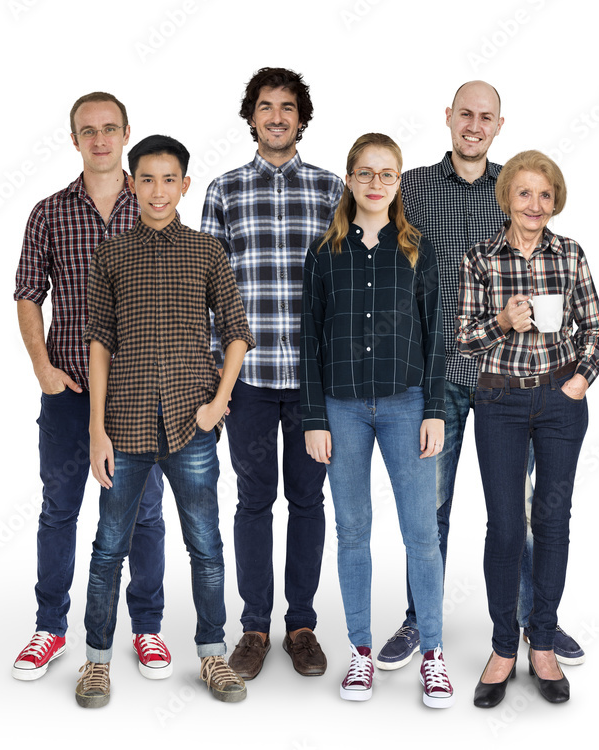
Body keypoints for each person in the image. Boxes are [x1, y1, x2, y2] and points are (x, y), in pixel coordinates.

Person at [378, 80, 586, 670]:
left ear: (499, 125)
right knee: (431, 504)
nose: (473, 125)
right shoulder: (412, 187)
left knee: (518, 508)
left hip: (507, 378)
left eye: (485, 117)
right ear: (447, 117)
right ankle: (422, 618)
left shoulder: (515, 191)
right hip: (435, 374)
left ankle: (531, 623)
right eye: (464, 114)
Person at [75, 135, 256, 708]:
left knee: (205, 545)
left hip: (191, 426)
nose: (158, 190)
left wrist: (217, 402)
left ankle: (212, 654)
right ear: (131, 184)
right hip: (124, 427)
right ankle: (97, 662)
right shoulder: (112, 254)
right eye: (146, 179)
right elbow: (99, 343)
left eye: (169, 179)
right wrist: (96, 428)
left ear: (184, 183)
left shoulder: (206, 252)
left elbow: (237, 334)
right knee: (108, 547)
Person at [12, 92, 169, 682]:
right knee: (60, 510)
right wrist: (41, 368)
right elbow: (29, 293)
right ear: (73, 139)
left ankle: (146, 630)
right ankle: (49, 628)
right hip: (68, 389)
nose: (99, 139)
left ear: (126, 132)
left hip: (139, 394)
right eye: (87, 131)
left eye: (109, 128)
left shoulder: (157, 203)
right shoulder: (49, 212)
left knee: (145, 513)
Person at [301, 133, 454, 708]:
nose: (375, 183)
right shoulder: (325, 254)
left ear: (397, 183)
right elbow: (308, 341)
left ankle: (433, 654)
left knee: (421, 533)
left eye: (386, 174)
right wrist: (314, 417)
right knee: (353, 532)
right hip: (341, 409)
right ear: (349, 179)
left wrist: (434, 409)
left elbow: (436, 336)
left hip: (405, 405)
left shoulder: (418, 249)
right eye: (365, 173)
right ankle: (361, 652)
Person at [201, 67, 343, 679]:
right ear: (252, 117)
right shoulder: (224, 190)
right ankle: (254, 626)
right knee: (255, 501)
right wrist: (216, 378)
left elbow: (345, 286)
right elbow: (202, 288)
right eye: (266, 106)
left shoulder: (331, 188)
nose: (277, 116)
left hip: (314, 383)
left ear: (302, 118)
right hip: (251, 379)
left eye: (288, 107)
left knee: (308, 502)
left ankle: (302, 625)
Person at [458, 150, 599, 706]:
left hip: (560, 399)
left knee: (552, 520)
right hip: (499, 402)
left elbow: (595, 328)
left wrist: (579, 381)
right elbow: (463, 339)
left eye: (545, 195)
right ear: (508, 198)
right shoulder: (481, 257)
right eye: (524, 193)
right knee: (503, 526)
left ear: (555, 201)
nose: (535, 205)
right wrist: (501, 322)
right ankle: (502, 647)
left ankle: (541, 641)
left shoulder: (569, 254)